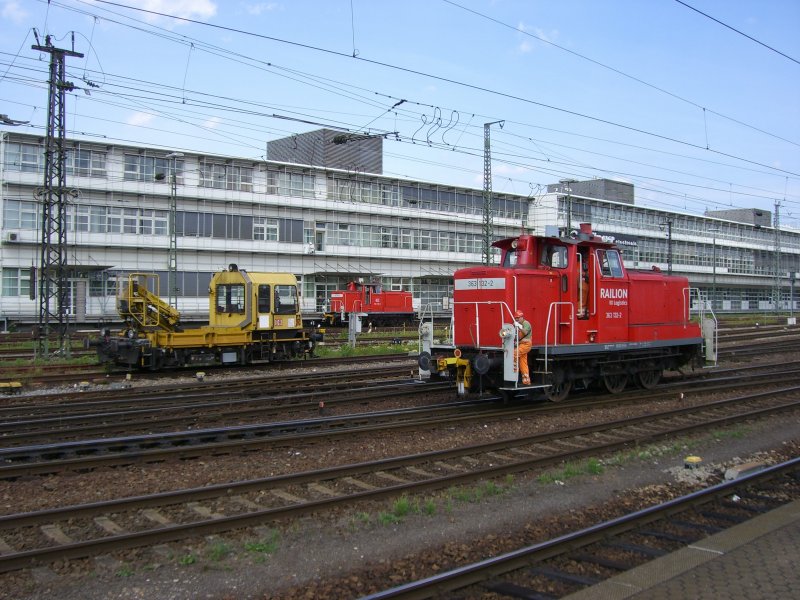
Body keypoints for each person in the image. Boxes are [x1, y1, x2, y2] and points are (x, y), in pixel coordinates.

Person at [513, 309, 532, 385]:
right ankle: (526, 380)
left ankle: (514, 371)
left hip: (526, 344)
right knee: (523, 363)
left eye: (518, 318)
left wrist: (519, 326)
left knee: (515, 353)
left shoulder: (526, 323)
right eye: (515, 318)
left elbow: (525, 332)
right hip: (521, 344)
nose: (516, 319)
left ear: (522, 317)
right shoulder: (516, 324)